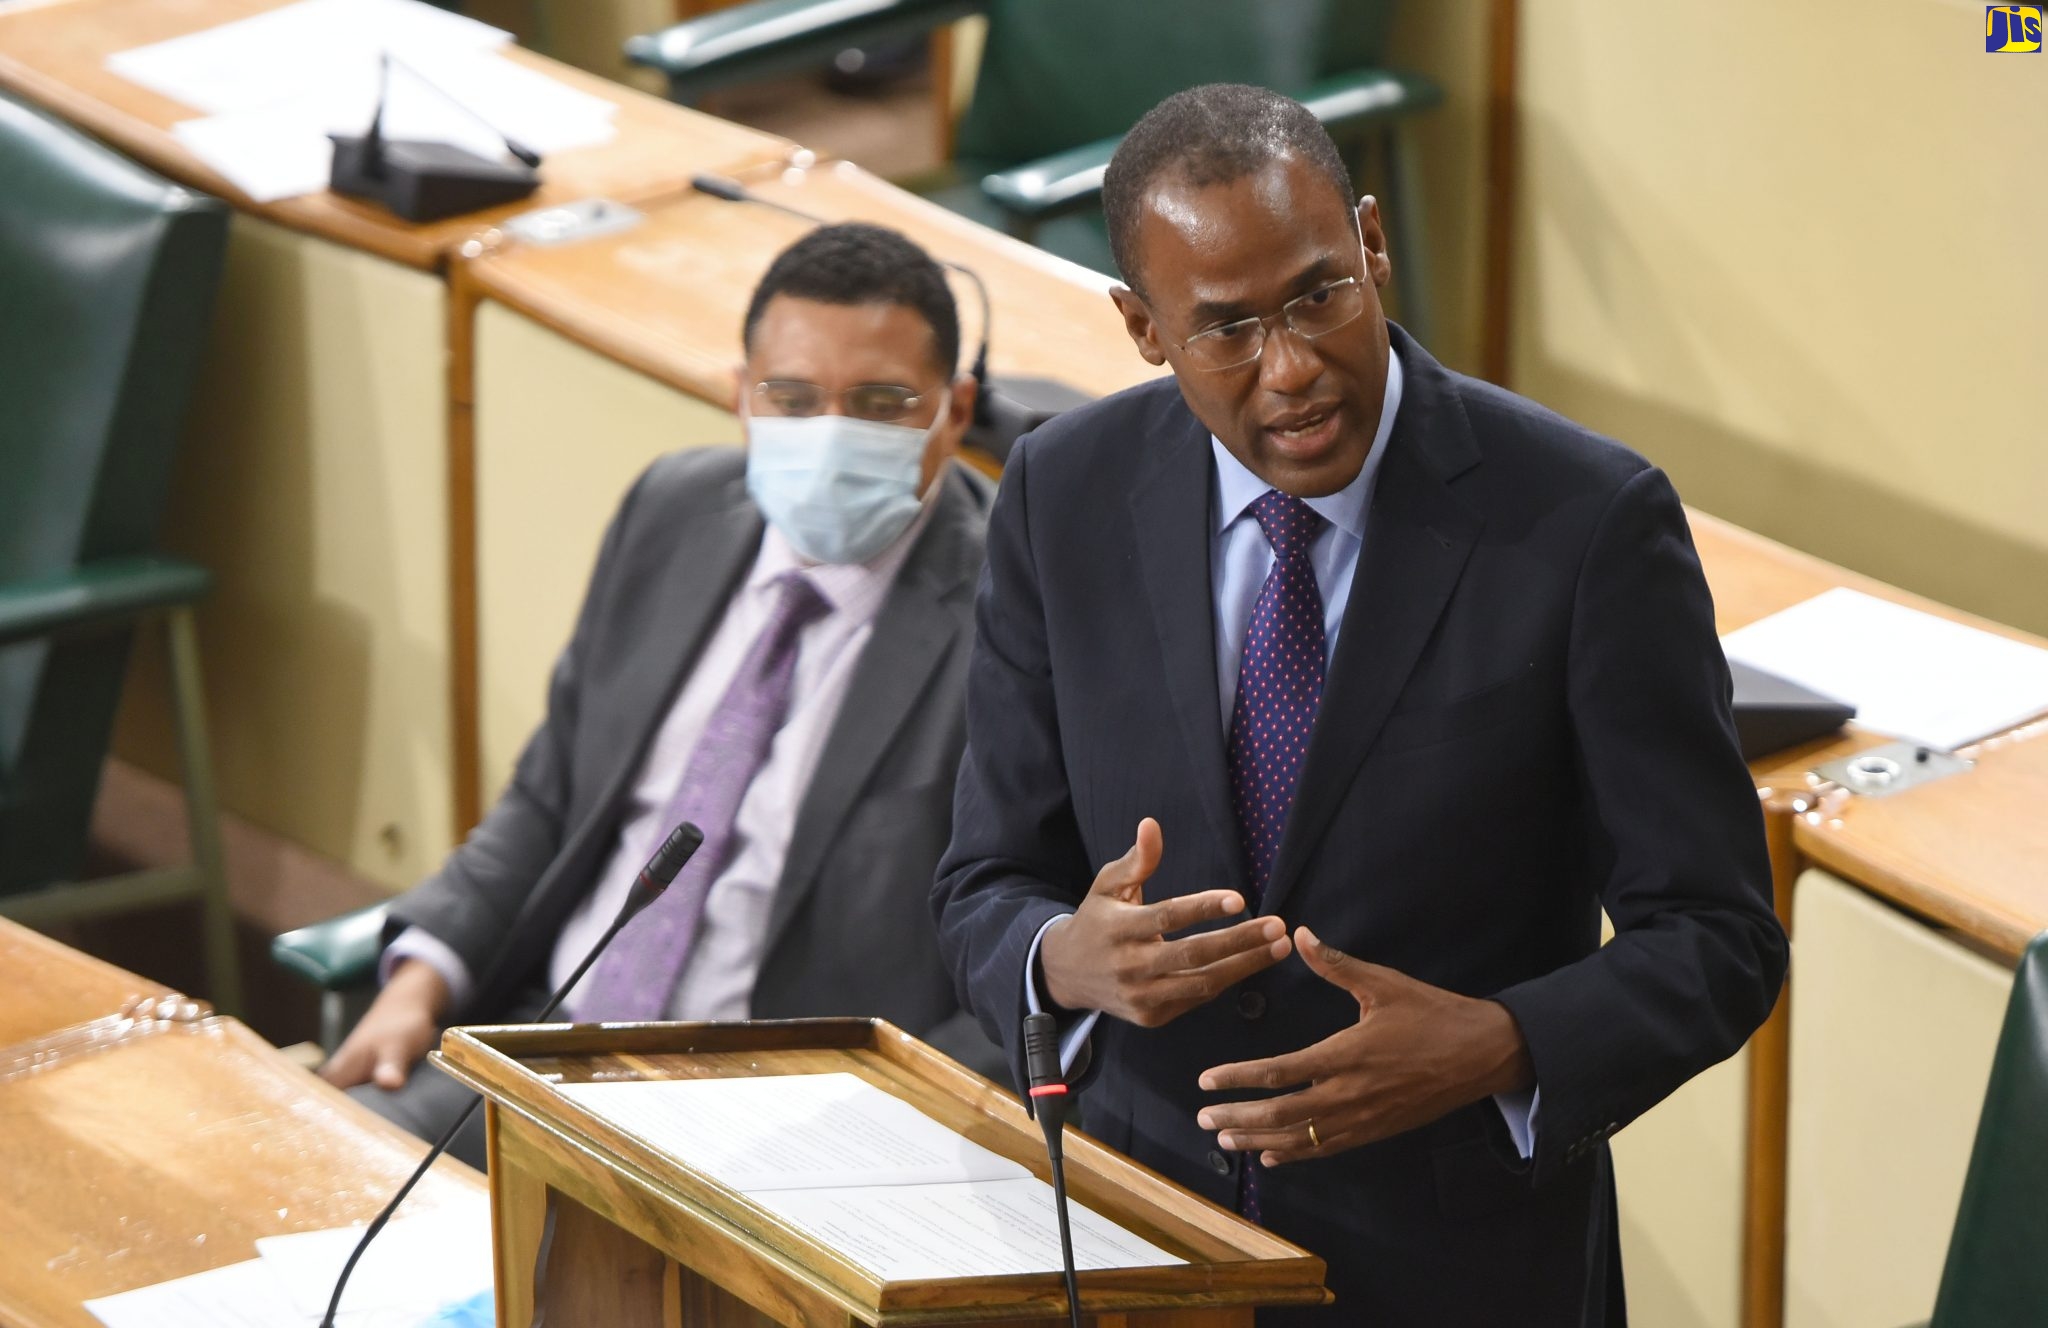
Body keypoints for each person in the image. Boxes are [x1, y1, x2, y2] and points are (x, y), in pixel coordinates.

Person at [931, 85, 1788, 1325]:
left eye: (1319, 294)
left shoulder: (1583, 521)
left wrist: (1497, 1042)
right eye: (1223, 327)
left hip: (1458, 1267)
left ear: (1372, 243)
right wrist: (1059, 956)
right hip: (1136, 1240)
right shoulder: (1060, 494)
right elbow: (980, 883)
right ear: (1140, 326)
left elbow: (1717, 931)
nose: (1290, 370)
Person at [324, 223, 1001, 1167]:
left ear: (955, 410)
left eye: (881, 404)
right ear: (738, 395)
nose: (829, 434)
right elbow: (549, 798)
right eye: (793, 399)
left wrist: (860, 1143)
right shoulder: (673, 509)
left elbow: (1018, 960)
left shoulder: (1015, 615)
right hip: (543, 1050)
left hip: (779, 1133)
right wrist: (419, 981)